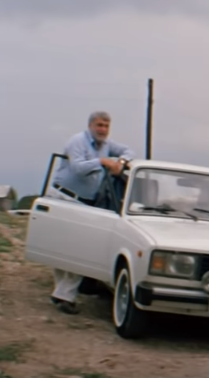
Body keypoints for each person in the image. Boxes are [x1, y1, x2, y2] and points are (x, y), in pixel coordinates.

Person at [49, 111, 136, 314]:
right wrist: (102, 162)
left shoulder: (106, 144)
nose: (103, 130)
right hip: (64, 196)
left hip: (84, 203)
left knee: (80, 249)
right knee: (61, 247)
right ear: (90, 125)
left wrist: (121, 162)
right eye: (99, 125)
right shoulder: (77, 141)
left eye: (106, 126)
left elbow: (129, 150)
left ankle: (64, 295)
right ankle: (61, 293)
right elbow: (78, 168)